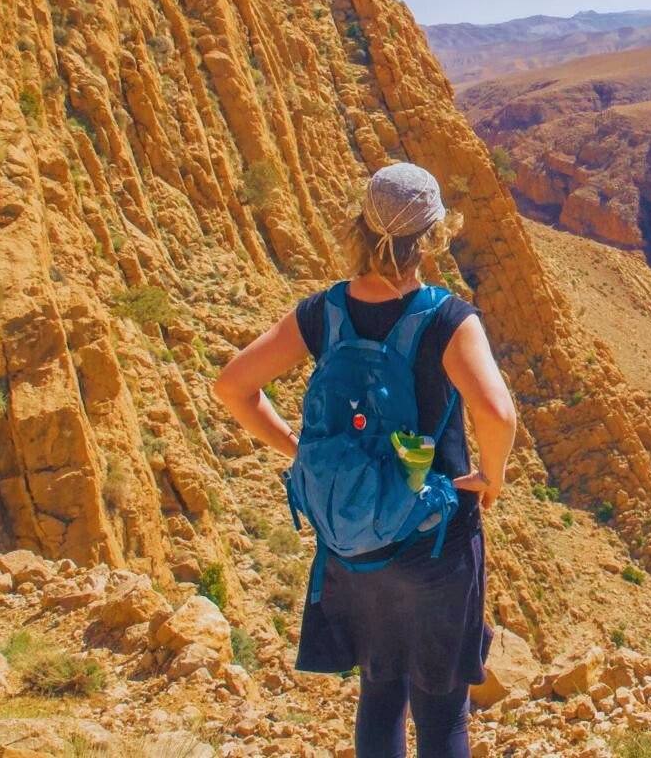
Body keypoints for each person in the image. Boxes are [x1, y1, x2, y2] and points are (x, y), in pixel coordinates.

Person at [214, 162, 517, 758]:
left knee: (381, 690)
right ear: (431, 237)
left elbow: (232, 388)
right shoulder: (447, 318)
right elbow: (498, 416)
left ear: (361, 226)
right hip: (435, 540)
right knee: (442, 709)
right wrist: (492, 478)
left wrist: (298, 452)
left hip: (357, 544)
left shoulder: (322, 313)